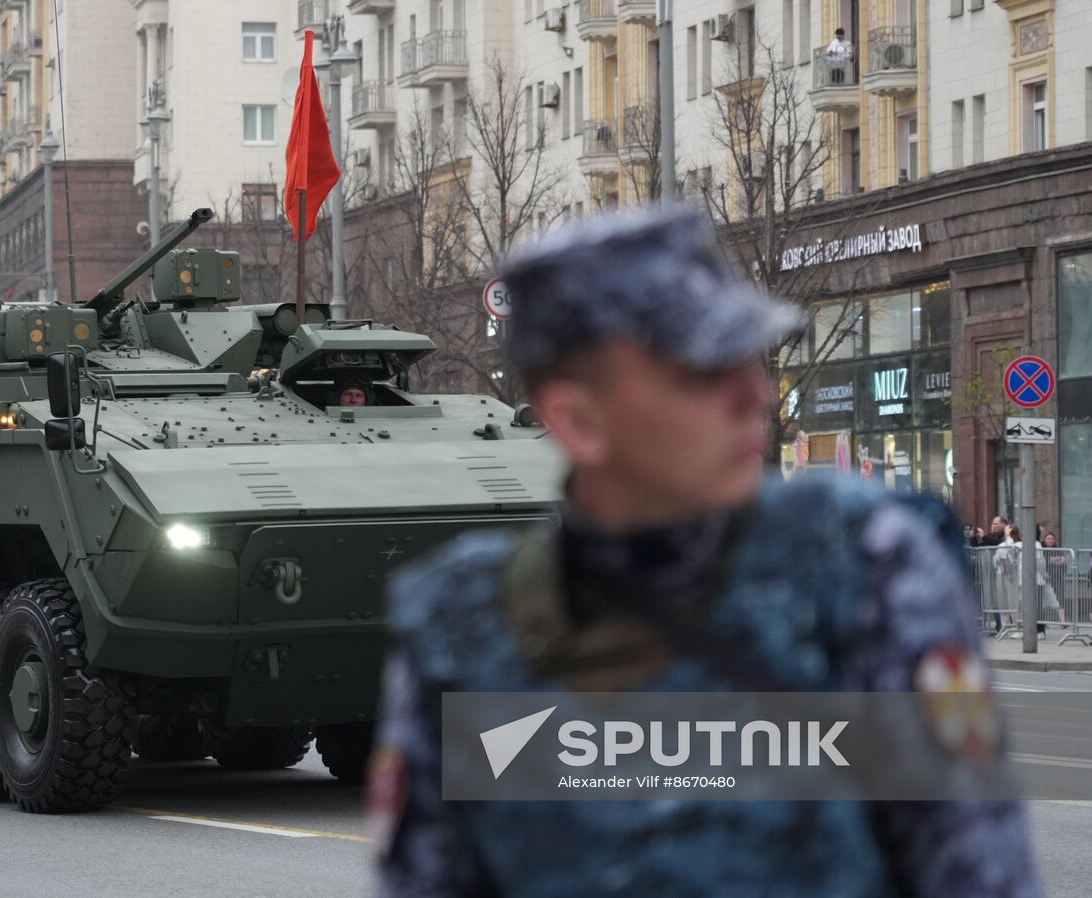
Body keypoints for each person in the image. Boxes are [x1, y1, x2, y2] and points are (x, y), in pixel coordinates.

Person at [369, 206, 1039, 897]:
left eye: (746, 359)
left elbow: (979, 871)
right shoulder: (462, 623)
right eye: (700, 372)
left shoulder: (864, 567)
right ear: (578, 420)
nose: (756, 396)